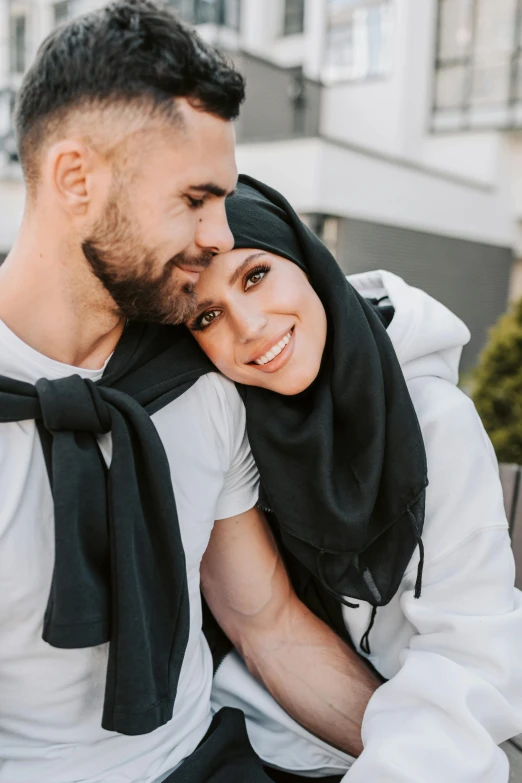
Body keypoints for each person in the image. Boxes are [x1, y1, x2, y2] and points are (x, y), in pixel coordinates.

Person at [0, 5, 380, 783]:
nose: (218, 234)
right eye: (195, 198)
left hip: (202, 761)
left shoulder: (199, 384)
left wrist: (441, 748)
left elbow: (265, 621)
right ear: (77, 178)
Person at [185, 175, 522, 783]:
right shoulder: (220, 426)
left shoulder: (433, 423)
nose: (251, 327)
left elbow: (470, 659)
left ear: (307, 261)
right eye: (207, 315)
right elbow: (261, 626)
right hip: (256, 743)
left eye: (256, 275)